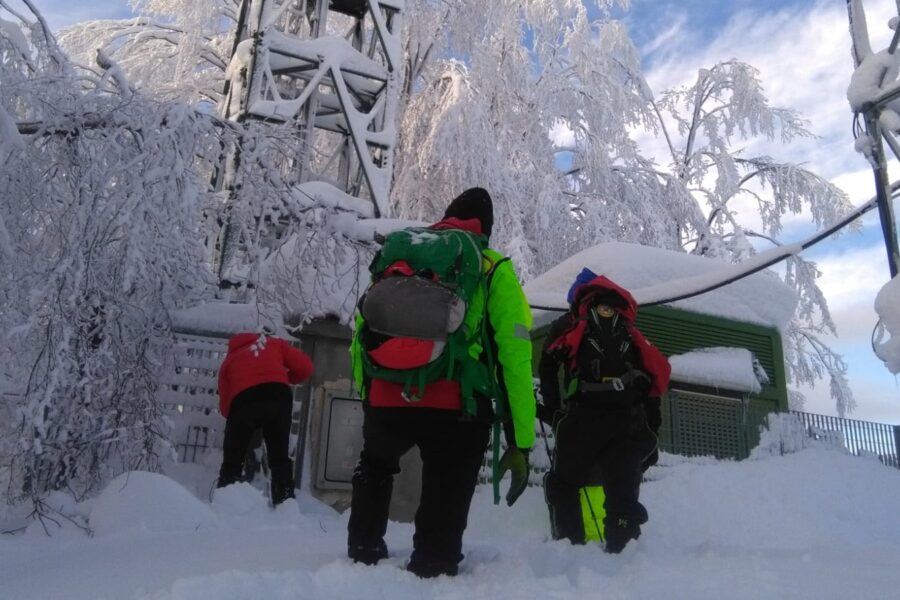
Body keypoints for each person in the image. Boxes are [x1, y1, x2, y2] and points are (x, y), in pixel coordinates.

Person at [347, 187, 536, 578]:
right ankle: (433, 561)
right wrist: (521, 438)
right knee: (447, 480)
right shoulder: (491, 266)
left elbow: (362, 329)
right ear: (486, 228)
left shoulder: (403, 255)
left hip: (386, 393)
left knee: (376, 466)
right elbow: (515, 355)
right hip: (457, 402)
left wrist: (369, 394)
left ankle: (362, 553)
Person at [538, 269, 670, 553]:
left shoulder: (571, 323)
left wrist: (553, 410)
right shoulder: (628, 328)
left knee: (564, 484)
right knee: (622, 489)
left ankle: (569, 549)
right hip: (626, 422)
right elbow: (651, 380)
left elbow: (547, 365)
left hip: (581, 419)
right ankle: (623, 553)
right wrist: (651, 428)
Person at [217, 329, 314, 506]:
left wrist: (237, 422)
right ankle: (284, 504)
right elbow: (306, 367)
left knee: (233, 457)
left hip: (243, 400)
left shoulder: (229, 360)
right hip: (278, 395)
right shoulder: (274, 344)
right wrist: (288, 378)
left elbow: (225, 407)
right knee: (279, 457)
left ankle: (226, 501)